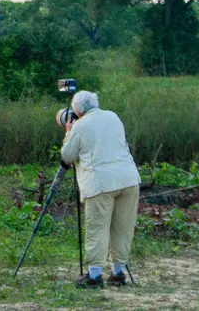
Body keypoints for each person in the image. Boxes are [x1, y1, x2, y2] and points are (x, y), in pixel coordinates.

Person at [61, 90, 141, 289]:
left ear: (77, 110)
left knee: (97, 228)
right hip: (128, 179)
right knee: (123, 227)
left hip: (100, 183)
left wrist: (69, 132)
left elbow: (67, 156)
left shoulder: (80, 125)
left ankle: (95, 276)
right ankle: (118, 273)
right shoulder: (113, 116)